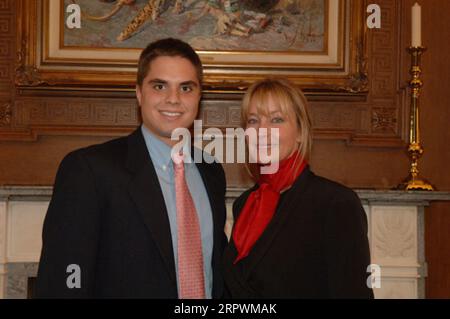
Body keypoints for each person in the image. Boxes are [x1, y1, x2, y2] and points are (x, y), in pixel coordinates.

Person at [35, 38, 227, 298]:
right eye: (160, 86)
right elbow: (62, 281)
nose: (173, 99)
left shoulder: (211, 172)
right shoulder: (89, 170)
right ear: (139, 92)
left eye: (186, 88)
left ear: (199, 96)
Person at [222, 78, 374, 298]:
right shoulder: (245, 204)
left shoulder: (336, 204)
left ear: (301, 133)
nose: (262, 131)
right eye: (253, 121)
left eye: (276, 119)